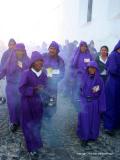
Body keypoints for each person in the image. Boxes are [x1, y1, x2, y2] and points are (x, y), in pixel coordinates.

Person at [19, 51, 48, 158]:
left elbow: (45, 86)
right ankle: (31, 148)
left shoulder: (44, 74)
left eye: (41, 61)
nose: (40, 63)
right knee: (28, 125)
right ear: (33, 62)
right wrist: (33, 89)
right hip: (27, 103)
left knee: (37, 124)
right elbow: (21, 89)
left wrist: (46, 94)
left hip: (38, 103)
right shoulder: (26, 73)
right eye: (37, 61)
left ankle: (36, 143)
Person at [0, 43, 29, 132]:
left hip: (22, 87)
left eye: (21, 50)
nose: (19, 52)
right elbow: (3, 70)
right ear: (15, 51)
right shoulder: (10, 60)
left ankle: (22, 120)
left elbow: (31, 71)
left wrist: (22, 65)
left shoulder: (27, 60)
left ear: (24, 51)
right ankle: (14, 122)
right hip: (11, 87)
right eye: (18, 50)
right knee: (12, 105)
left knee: (21, 105)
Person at [77, 61, 106, 147]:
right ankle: (84, 138)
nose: (91, 69)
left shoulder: (99, 80)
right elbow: (78, 90)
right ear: (87, 69)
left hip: (94, 103)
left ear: (96, 69)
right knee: (84, 121)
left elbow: (102, 93)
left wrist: (101, 106)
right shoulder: (83, 78)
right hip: (84, 102)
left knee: (94, 121)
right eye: (90, 68)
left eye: (93, 68)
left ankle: (93, 136)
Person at [43, 41, 65, 118]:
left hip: (53, 86)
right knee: (41, 101)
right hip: (42, 85)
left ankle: (49, 117)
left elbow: (62, 73)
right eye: (50, 48)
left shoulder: (60, 60)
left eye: (54, 49)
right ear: (48, 49)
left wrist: (55, 79)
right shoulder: (43, 56)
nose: (52, 50)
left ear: (57, 50)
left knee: (51, 102)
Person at [70, 41, 93, 110]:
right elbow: (72, 66)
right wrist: (77, 71)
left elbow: (92, 64)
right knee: (78, 91)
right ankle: (78, 107)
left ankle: (86, 105)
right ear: (79, 47)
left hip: (87, 76)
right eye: (82, 46)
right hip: (78, 77)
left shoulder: (89, 55)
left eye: (85, 46)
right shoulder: (76, 55)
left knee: (86, 91)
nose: (83, 47)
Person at [104, 40, 120, 136]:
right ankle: (109, 126)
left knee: (118, 104)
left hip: (118, 82)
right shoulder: (113, 55)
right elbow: (113, 70)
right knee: (111, 104)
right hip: (113, 83)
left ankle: (116, 124)